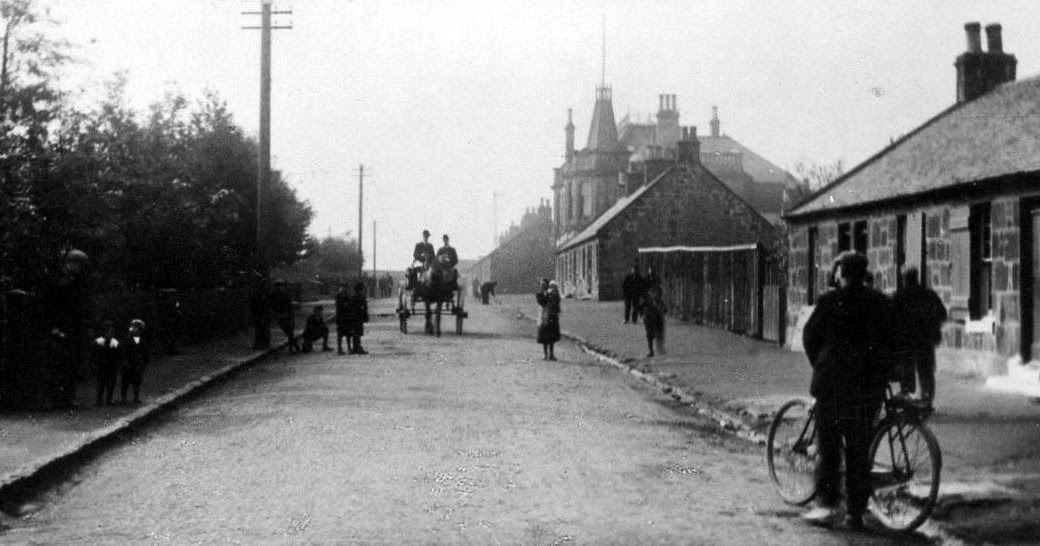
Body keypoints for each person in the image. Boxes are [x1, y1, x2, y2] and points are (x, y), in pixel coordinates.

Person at [801, 251, 895, 530]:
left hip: (833, 385)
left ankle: (827, 506)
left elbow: (809, 336)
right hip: (866, 387)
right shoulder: (880, 302)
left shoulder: (830, 301)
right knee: (858, 450)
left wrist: (819, 363)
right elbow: (893, 340)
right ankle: (855, 513)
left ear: (841, 274)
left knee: (829, 447)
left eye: (838, 272)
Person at [44, 248, 92, 410]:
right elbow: (51, 306)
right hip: (59, 328)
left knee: (71, 364)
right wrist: (53, 327)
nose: (80, 268)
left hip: (73, 328)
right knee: (57, 364)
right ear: (70, 263)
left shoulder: (78, 281)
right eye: (78, 264)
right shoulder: (59, 281)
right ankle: (54, 399)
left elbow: (81, 306)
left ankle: (68, 398)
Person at [891, 267, 947, 405]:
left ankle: (907, 393)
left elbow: (892, 318)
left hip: (908, 339)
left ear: (905, 279)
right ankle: (927, 398)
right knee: (926, 369)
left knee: (907, 367)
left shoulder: (900, 296)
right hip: (925, 338)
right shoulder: (929, 295)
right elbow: (942, 314)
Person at [120, 319, 149, 405]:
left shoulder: (141, 340)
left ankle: (135, 397)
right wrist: (124, 361)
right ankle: (123, 398)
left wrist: (144, 362)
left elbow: (145, 352)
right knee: (125, 381)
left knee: (136, 382)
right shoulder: (127, 339)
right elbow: (123, 350)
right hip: (128, 363)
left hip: (137, 363)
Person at [92, 320, 121, 407]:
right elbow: (94, 354)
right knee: (100, 383)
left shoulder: (115, 343)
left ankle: (109, 400)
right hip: (101, 366)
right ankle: (99, 400)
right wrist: (94, 364)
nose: (110, 333)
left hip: (111, 366)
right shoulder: (98, 342)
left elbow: (118, 355)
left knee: (111, 384)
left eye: (112, 332)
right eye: (108, 331)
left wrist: (117, 365)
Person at [269, 280, 300, 354]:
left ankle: (292, 348)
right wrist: (276, 314)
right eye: (277, 286)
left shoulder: (285, 295)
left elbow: (289, 306)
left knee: (290, 332)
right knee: (288, 332)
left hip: (288, 316)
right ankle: (295, 348)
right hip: (280, 317)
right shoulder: (273, 296)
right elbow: (271, 306)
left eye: (280, 286)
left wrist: (287, 314)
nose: (279, 288)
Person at [535, 279, 561, 360]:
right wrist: (548, 294)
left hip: (552, 317)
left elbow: (557, 302)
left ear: (547, 285)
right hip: (543, 317)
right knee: (544, 336)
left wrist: (552, 294)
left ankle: (551, 354)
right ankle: (545, 354)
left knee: (552, 336)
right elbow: (542, 302)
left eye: (544, 284)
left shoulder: (553, 293)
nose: (542, 286)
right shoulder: (539, 294)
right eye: (541, 285)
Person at [342, 281, 369, 355]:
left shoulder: (354, 296)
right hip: (357, 317)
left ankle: (355, 348)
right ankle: (357, 348)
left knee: (356, 333)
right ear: (360, 289)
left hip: (354, 317)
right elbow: (363, 308)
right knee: (357, 333)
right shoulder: (359, 297)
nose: (364, 290)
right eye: (363, 288)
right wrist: (365, 316)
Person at [642, 285, 666, 357]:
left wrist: (659, 308)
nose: (653, 294)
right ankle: (651, 351)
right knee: (649, 336)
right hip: (649, 321)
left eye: (654, 293)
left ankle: (660, 349)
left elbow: (665, 309)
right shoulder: (647, 301)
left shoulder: (659, 301)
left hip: (658, 321)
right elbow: (642, 308)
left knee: (659, 336)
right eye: (651, 293)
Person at [250, 278, 271, 350]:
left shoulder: (267, 294)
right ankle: (258, 344)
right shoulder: (257, 295)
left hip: (265, 314)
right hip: (259, 314)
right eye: (264, 286)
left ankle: (265, 344)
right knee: (259, 330)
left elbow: (269, 305)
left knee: (265, 329)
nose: (265, 287)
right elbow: (254, 305)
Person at [334, 282, 352, 355]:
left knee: (348, 334)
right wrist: (346, 304)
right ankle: (339, 348)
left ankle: (349, 348)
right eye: (343, 287)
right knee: (340, 334)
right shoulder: (338, 295)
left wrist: (346, 304)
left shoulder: (347, 295)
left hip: (346, 317)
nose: (344, 289)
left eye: (345, 288)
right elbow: (341, 305)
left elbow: (349, 304)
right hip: (341, 318)